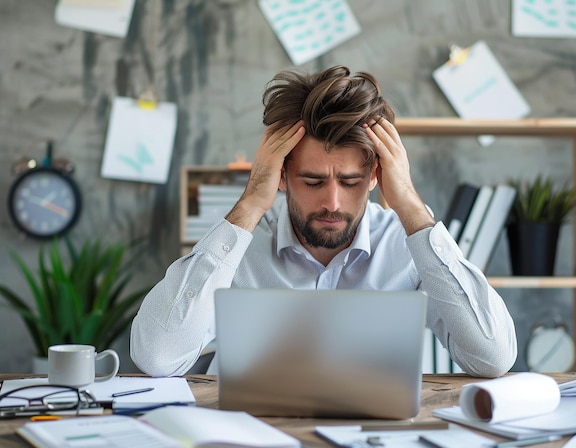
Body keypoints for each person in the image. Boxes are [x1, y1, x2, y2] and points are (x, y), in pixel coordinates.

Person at [130, 65, 517, 378]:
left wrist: (412, 208)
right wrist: (250, 203)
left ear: (375, 177)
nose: (332, 202)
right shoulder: (239, 245)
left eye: (350, 182)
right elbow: (157, 357)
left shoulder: (405, 245)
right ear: (281, 176)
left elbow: (493, 357)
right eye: (313, 181)